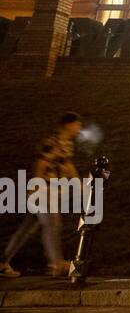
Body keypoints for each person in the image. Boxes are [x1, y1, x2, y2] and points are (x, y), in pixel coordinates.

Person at [2, 111, 82, 278]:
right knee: (52, 225)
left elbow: (66, 165)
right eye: (77, 124)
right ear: (68, 125)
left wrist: (79, 184)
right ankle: (56, 264)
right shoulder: (52, 143)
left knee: (27, 230)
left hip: (50, 192)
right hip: (44, 192)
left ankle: (2, 263)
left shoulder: (65, 144)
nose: (79, 128)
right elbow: (40, 164)